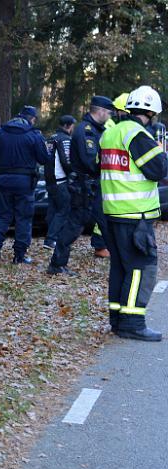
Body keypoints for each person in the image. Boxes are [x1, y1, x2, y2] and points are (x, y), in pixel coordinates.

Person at [100, 85, 168, 341]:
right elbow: (158, 169)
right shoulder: (137, 135)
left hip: (113, 213)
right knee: (142, 268)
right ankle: (132, 323)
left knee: (121, 268)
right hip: (135, 215)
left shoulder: (111, 133)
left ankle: (117, 320)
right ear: (151, 113)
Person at [47, 96, 114, 274]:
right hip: (85, 187)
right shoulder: (86, 131)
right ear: (100, 111)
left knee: (104, 221)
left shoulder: (94, 129)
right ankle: (57, 263)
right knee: (75, 224)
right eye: (108, 113)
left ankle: (120, 260)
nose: (110, 116)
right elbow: (90, 161)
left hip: (92, 186)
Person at [0, 106, 50, 264]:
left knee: (2, 217)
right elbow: (44, 158)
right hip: (24, 182)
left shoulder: (1, 133)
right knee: (23, 218)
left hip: (4, 180)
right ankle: (19, 255)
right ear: (32, 119)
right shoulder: (33, 135)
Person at [43, 115, 76, 249]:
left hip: (49, 180)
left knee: (53, 210)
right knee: (64, 210)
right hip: (60, 180)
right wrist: (72, 174)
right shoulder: (65, 139)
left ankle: (51, 239)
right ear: (68, 125)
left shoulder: (51, 138)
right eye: (73, 125)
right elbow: (66, 160)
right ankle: (52, 239)